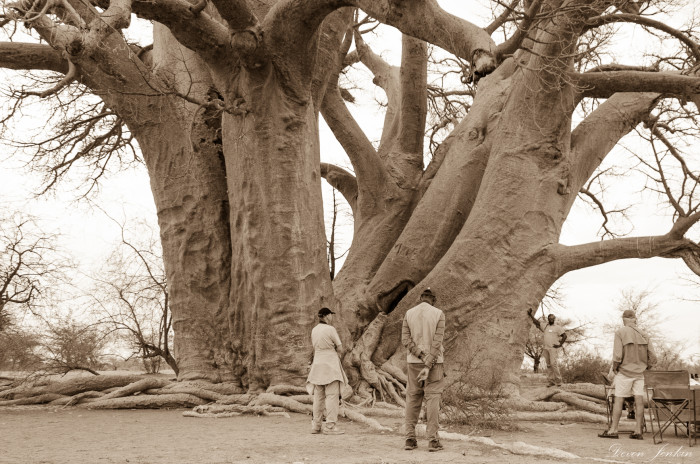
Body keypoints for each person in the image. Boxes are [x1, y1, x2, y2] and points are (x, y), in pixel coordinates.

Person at [598, 309, 656, 440]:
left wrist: (615, 368)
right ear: (635, 319)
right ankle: (638, 431)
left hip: (624, 372)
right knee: (639, 400)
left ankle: (613, 430)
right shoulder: (645, 335)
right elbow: (653, 357)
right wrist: (647, 367)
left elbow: (617, 355)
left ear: (623, 319)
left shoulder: (620, 332)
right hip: (640, 373)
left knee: (619, 399)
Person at [401, 288, 446, 452]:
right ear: (433, 300)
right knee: (433, 399)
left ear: (420, 298)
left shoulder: (408, 314)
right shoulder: (439, 314)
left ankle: (409, 439)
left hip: (413, 362)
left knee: (412, 399)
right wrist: (428, 363)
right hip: (434, 364)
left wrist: (419, 354)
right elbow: (437, 342)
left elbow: (405, 339)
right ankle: (433, 441)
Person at [306, 307, 348, 435]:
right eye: (330, 315)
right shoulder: (330, 329)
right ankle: (330, 426)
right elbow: (340, 348)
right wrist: (337, 355)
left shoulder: (314, 330)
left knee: (318, 397)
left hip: (317, 365)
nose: (332, 317)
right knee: (332, 396)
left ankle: (316, 426)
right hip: (330, 365)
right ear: (326, 316)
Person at [527, 308, 567, 387]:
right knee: (548, 365)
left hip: (553, 348)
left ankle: (559, 381)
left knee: (553, 364)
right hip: (546, 348)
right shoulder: (545, 326)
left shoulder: (558, 327)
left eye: (552, 318)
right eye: (550, 318)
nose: (551, 319)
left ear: (554, 319)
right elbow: (536, 322)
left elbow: (565, 336)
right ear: (548, 319)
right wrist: (531, 315)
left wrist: (560, 344)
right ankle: (551, 382)